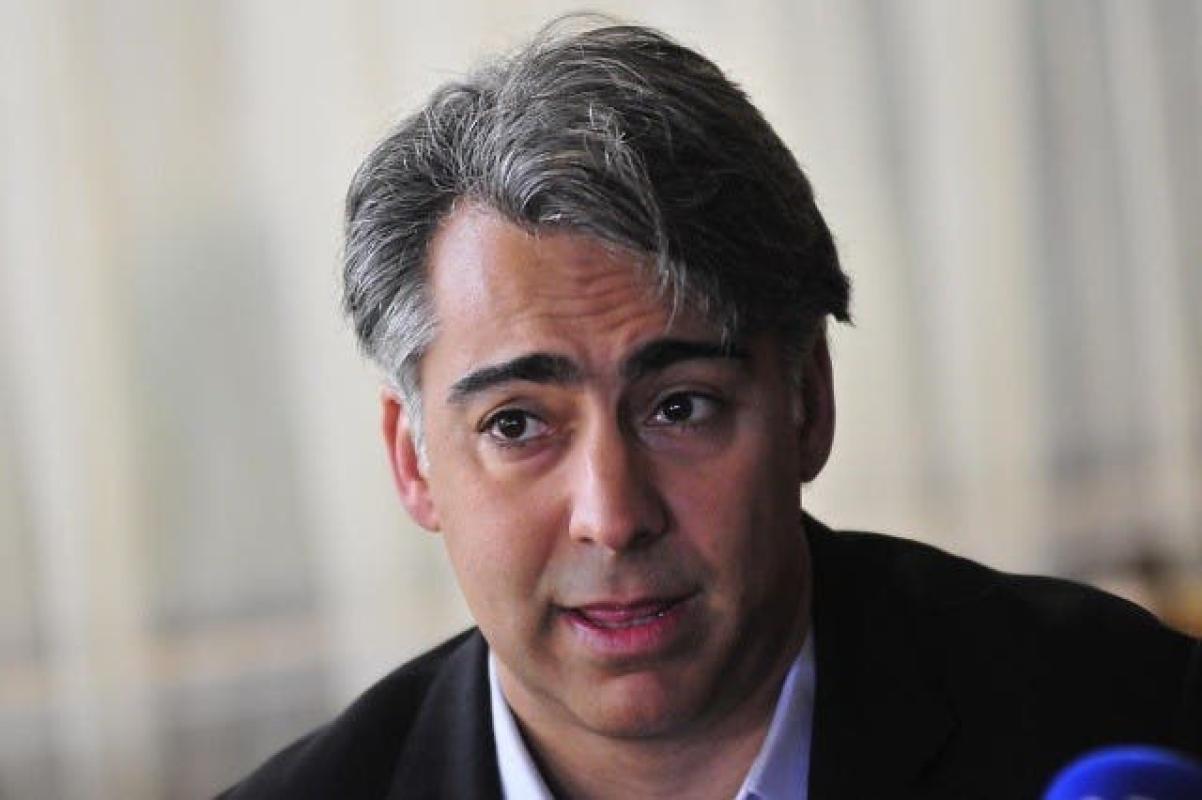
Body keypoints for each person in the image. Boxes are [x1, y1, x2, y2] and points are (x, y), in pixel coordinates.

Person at [221, 19, 1201, 799]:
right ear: (414, 462)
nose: (613, 515)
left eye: (680, 406)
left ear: (807, 403)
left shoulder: (1128, 718)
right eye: (516, 423)